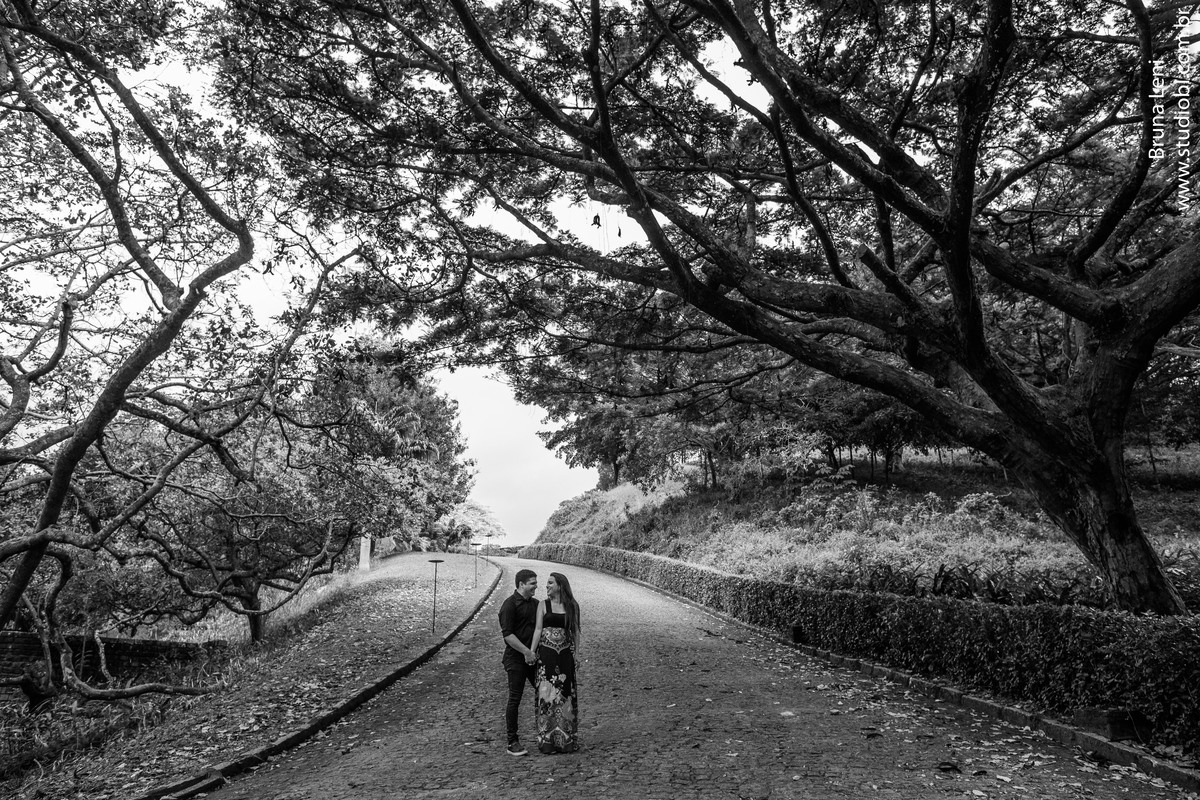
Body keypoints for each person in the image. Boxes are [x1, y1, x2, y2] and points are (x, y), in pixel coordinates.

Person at [530, 571, 581, 754]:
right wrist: (531, 652)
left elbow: (575, 632)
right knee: (547, 695)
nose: (547, 586)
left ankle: (566, 740)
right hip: (546, 656)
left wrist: (576, 656)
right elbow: (538, 630)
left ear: (560, 585)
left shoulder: (572, 606)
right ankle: (547, 741)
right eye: (547, 583)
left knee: (565, 696)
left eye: (550, 583)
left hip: (565, 656)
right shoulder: (543, 605)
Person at [498, 569, 538, 756]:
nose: (536, 586)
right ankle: (512, 741)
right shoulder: (509, 605)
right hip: (516, 659)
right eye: (532, 583)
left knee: (545, 693)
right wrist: (526, 652)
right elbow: (508, 635)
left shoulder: (537, 604)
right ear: (521, 584)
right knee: (515, 698)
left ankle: (546, 732)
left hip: (534, 658)